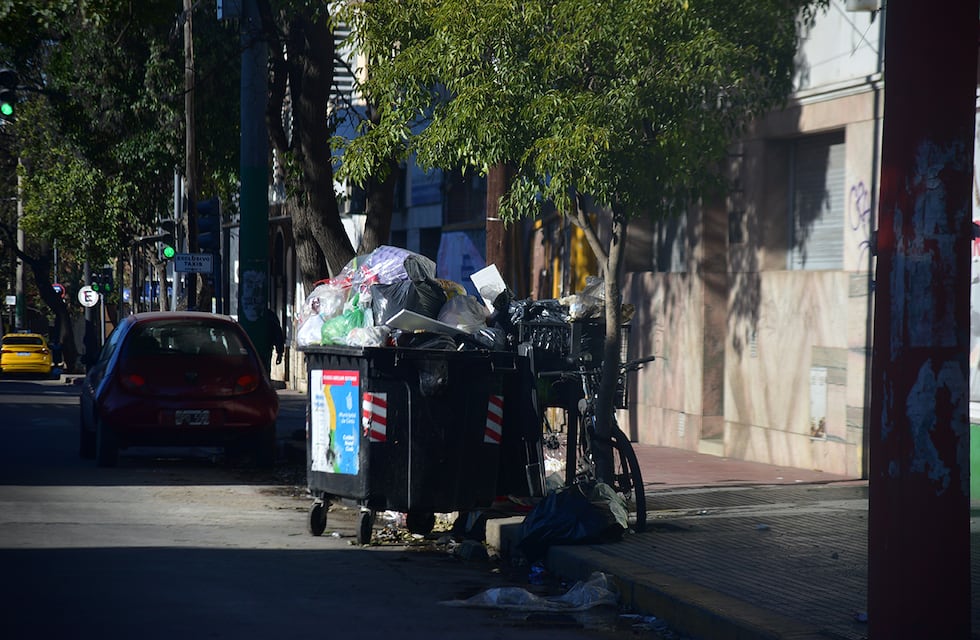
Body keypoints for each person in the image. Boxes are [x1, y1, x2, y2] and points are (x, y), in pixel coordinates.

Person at [263, 308, 285, 372]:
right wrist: (280, 352)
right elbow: (278, 334)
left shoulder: (270, 316)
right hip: (266, 349)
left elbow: (277, 333)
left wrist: (280, 352)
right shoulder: (270, 315)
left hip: (265, 349)